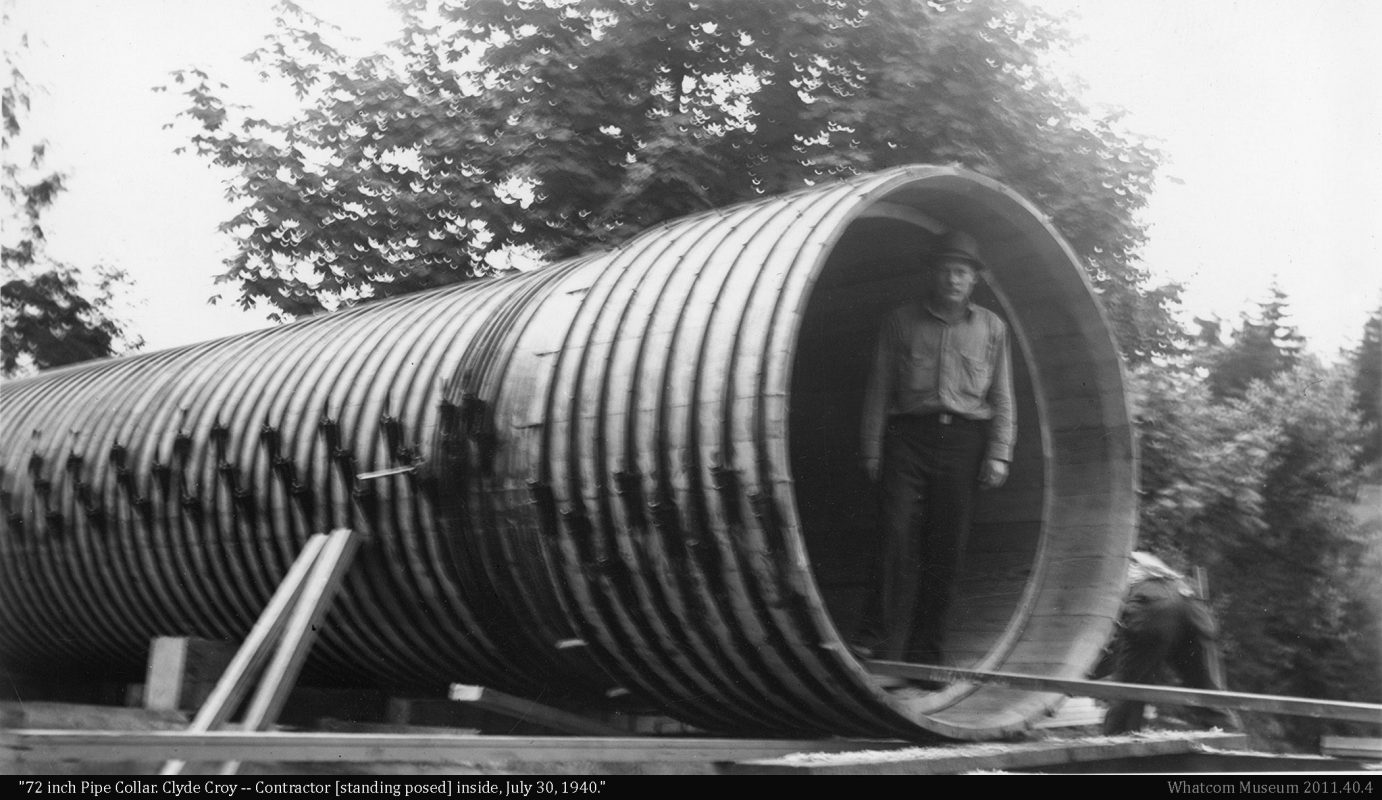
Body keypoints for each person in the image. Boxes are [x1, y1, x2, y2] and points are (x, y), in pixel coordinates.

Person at [853, 229, 1015, 669]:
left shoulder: (992, 328)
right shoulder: (900, 321)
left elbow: (1003, 396)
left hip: (964, 443)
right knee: (893, 534)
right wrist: (872, 450)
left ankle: (926, 656)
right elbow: (879, 387)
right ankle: (871, 639)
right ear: (933, 273)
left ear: (974, 279)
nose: (953, 279)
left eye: (961, 271)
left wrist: (999, 452)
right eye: (945, 269)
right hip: (907, 438)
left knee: (947, 548)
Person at [1094, 551, 1239, 734]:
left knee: (1129, 691)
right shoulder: (1128, 554)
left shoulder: (1100, 571)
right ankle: (1229, 737)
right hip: (1189, 601)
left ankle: (1116, 743)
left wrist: (1082, 675)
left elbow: (1113, 647)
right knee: (1208, 691)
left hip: (1153, 605)